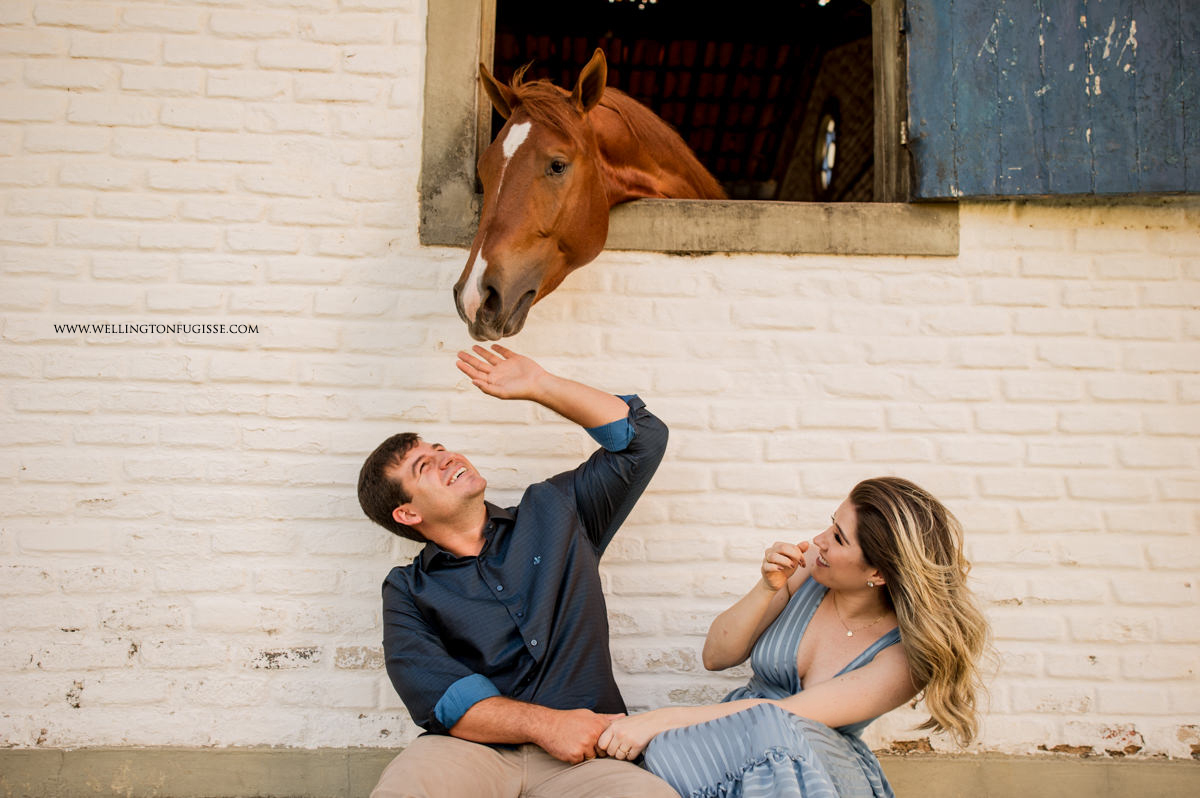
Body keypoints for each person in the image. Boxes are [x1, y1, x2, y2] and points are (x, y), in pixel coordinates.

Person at [356, 344, 678, 798]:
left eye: (440, 449)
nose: (447, 457)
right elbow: (441, 697)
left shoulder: (556, 509)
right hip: (469, 753)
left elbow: (644, 439)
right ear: (408, 513)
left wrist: (541, 385)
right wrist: (547, 725)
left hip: (588, 754)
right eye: (424, 465)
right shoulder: (407, 589)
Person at [595, 476, 991, 798]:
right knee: (678, 750)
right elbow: (716, 656)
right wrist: (768, 588)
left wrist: (662, 719)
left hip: (815, 768)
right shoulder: (811, 571)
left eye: (838, 538)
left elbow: (785, 715)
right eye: (831, 523)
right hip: (737, 737)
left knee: (771, 727)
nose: (819, 539)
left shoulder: (904, 658)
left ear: (879, 573)